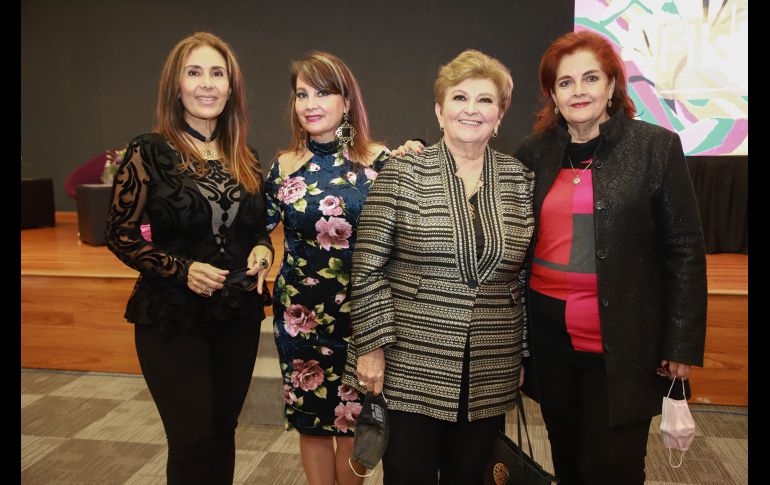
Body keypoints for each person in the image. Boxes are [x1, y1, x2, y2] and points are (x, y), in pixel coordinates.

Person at [513, 31, 707, 484]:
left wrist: (680, 344)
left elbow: (684, 250)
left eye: (590, 78)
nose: (578, 90)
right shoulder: (533, 153)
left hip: (624, 344)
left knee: (614, 468)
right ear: (552, 94)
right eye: (565, 82)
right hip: (550, 344)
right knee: (568, 460)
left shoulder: (655, 147)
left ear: (612, 86)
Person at [343, 49, 535, 485]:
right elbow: (368, 266)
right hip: (410, 359)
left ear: (500, 115)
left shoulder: (519, 178)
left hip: (489, 362)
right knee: (409, 475)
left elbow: (521, 276)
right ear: (439, 109)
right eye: (460, 97)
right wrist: (372, 348)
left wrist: (520, 352)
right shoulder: (403, 171)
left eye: (485, 100)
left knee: (470, 475)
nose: (472, 109)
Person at [105, 32, 273, 485]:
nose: (206, 84)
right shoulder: (149, 151)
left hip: (235, 316)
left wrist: (263, 249)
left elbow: (256, 229)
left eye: (217, 73)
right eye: (194, 72)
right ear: (175, 86)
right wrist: (182, 270)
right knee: (192, 440)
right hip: (171, 317)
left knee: (222, 432)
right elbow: (119, 234)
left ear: (231, 86)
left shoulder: (247, 156)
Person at [264, 51, 390, 485]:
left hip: (361, 318)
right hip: (299, 317)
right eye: (302, 94)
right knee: (310, 420)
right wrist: (260, 252)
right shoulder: (284, 166)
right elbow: (260, 231)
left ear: (347, 101)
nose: (310, 103)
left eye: (323, 92)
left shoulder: (380, 163)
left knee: (354, 420)